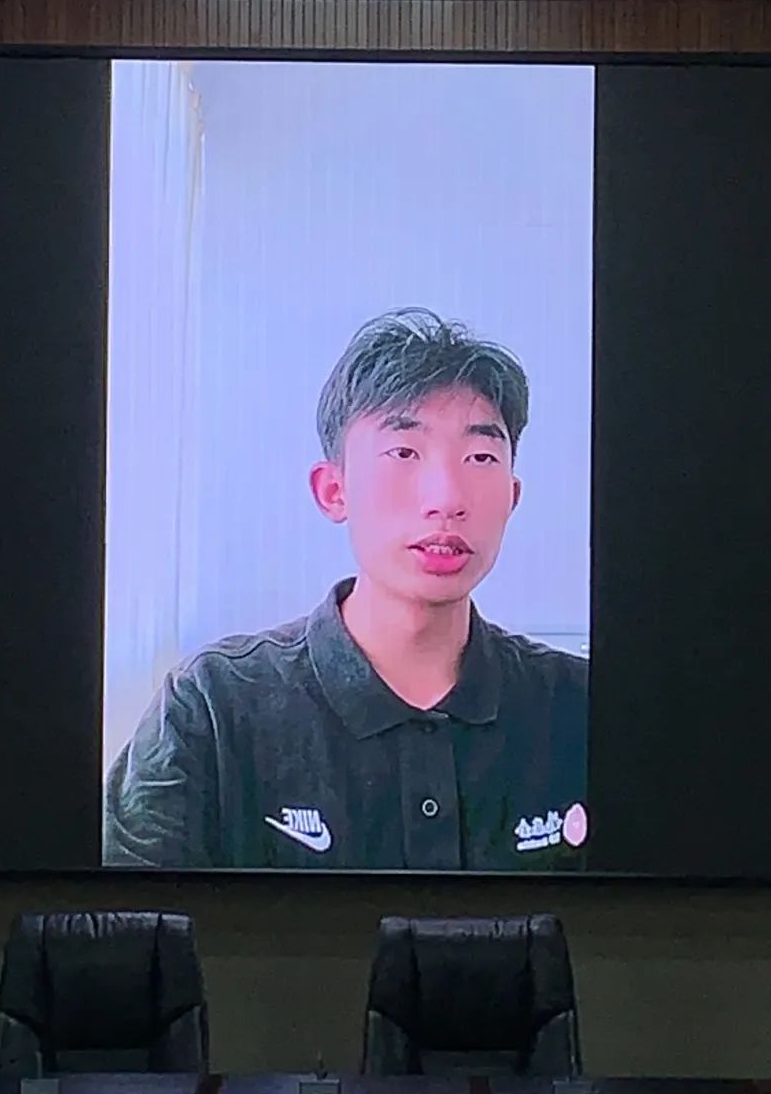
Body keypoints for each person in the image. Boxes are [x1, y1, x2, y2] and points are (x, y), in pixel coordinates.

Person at [103, 307, 589, 870]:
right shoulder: (213, 707)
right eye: (404, 452)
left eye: (481, 457)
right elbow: (121, 917)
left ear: (512, 497)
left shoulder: (579, 709)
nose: (447, 498)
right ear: (334, 491)